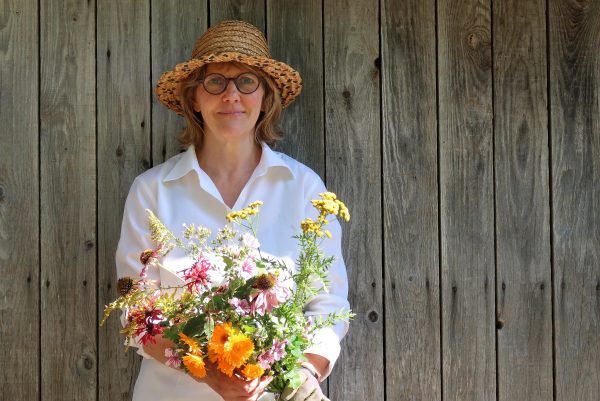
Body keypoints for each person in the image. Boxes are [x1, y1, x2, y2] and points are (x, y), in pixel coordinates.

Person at [116, 20, 349, 401]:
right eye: (215, 82)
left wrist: (304, 375)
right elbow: (136, 315)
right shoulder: (153, 191)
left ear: (265, 97)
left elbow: (329, 306)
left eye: (246, 81)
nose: (231, 95)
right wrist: (208, 374)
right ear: (194, 98)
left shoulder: (304, 188)